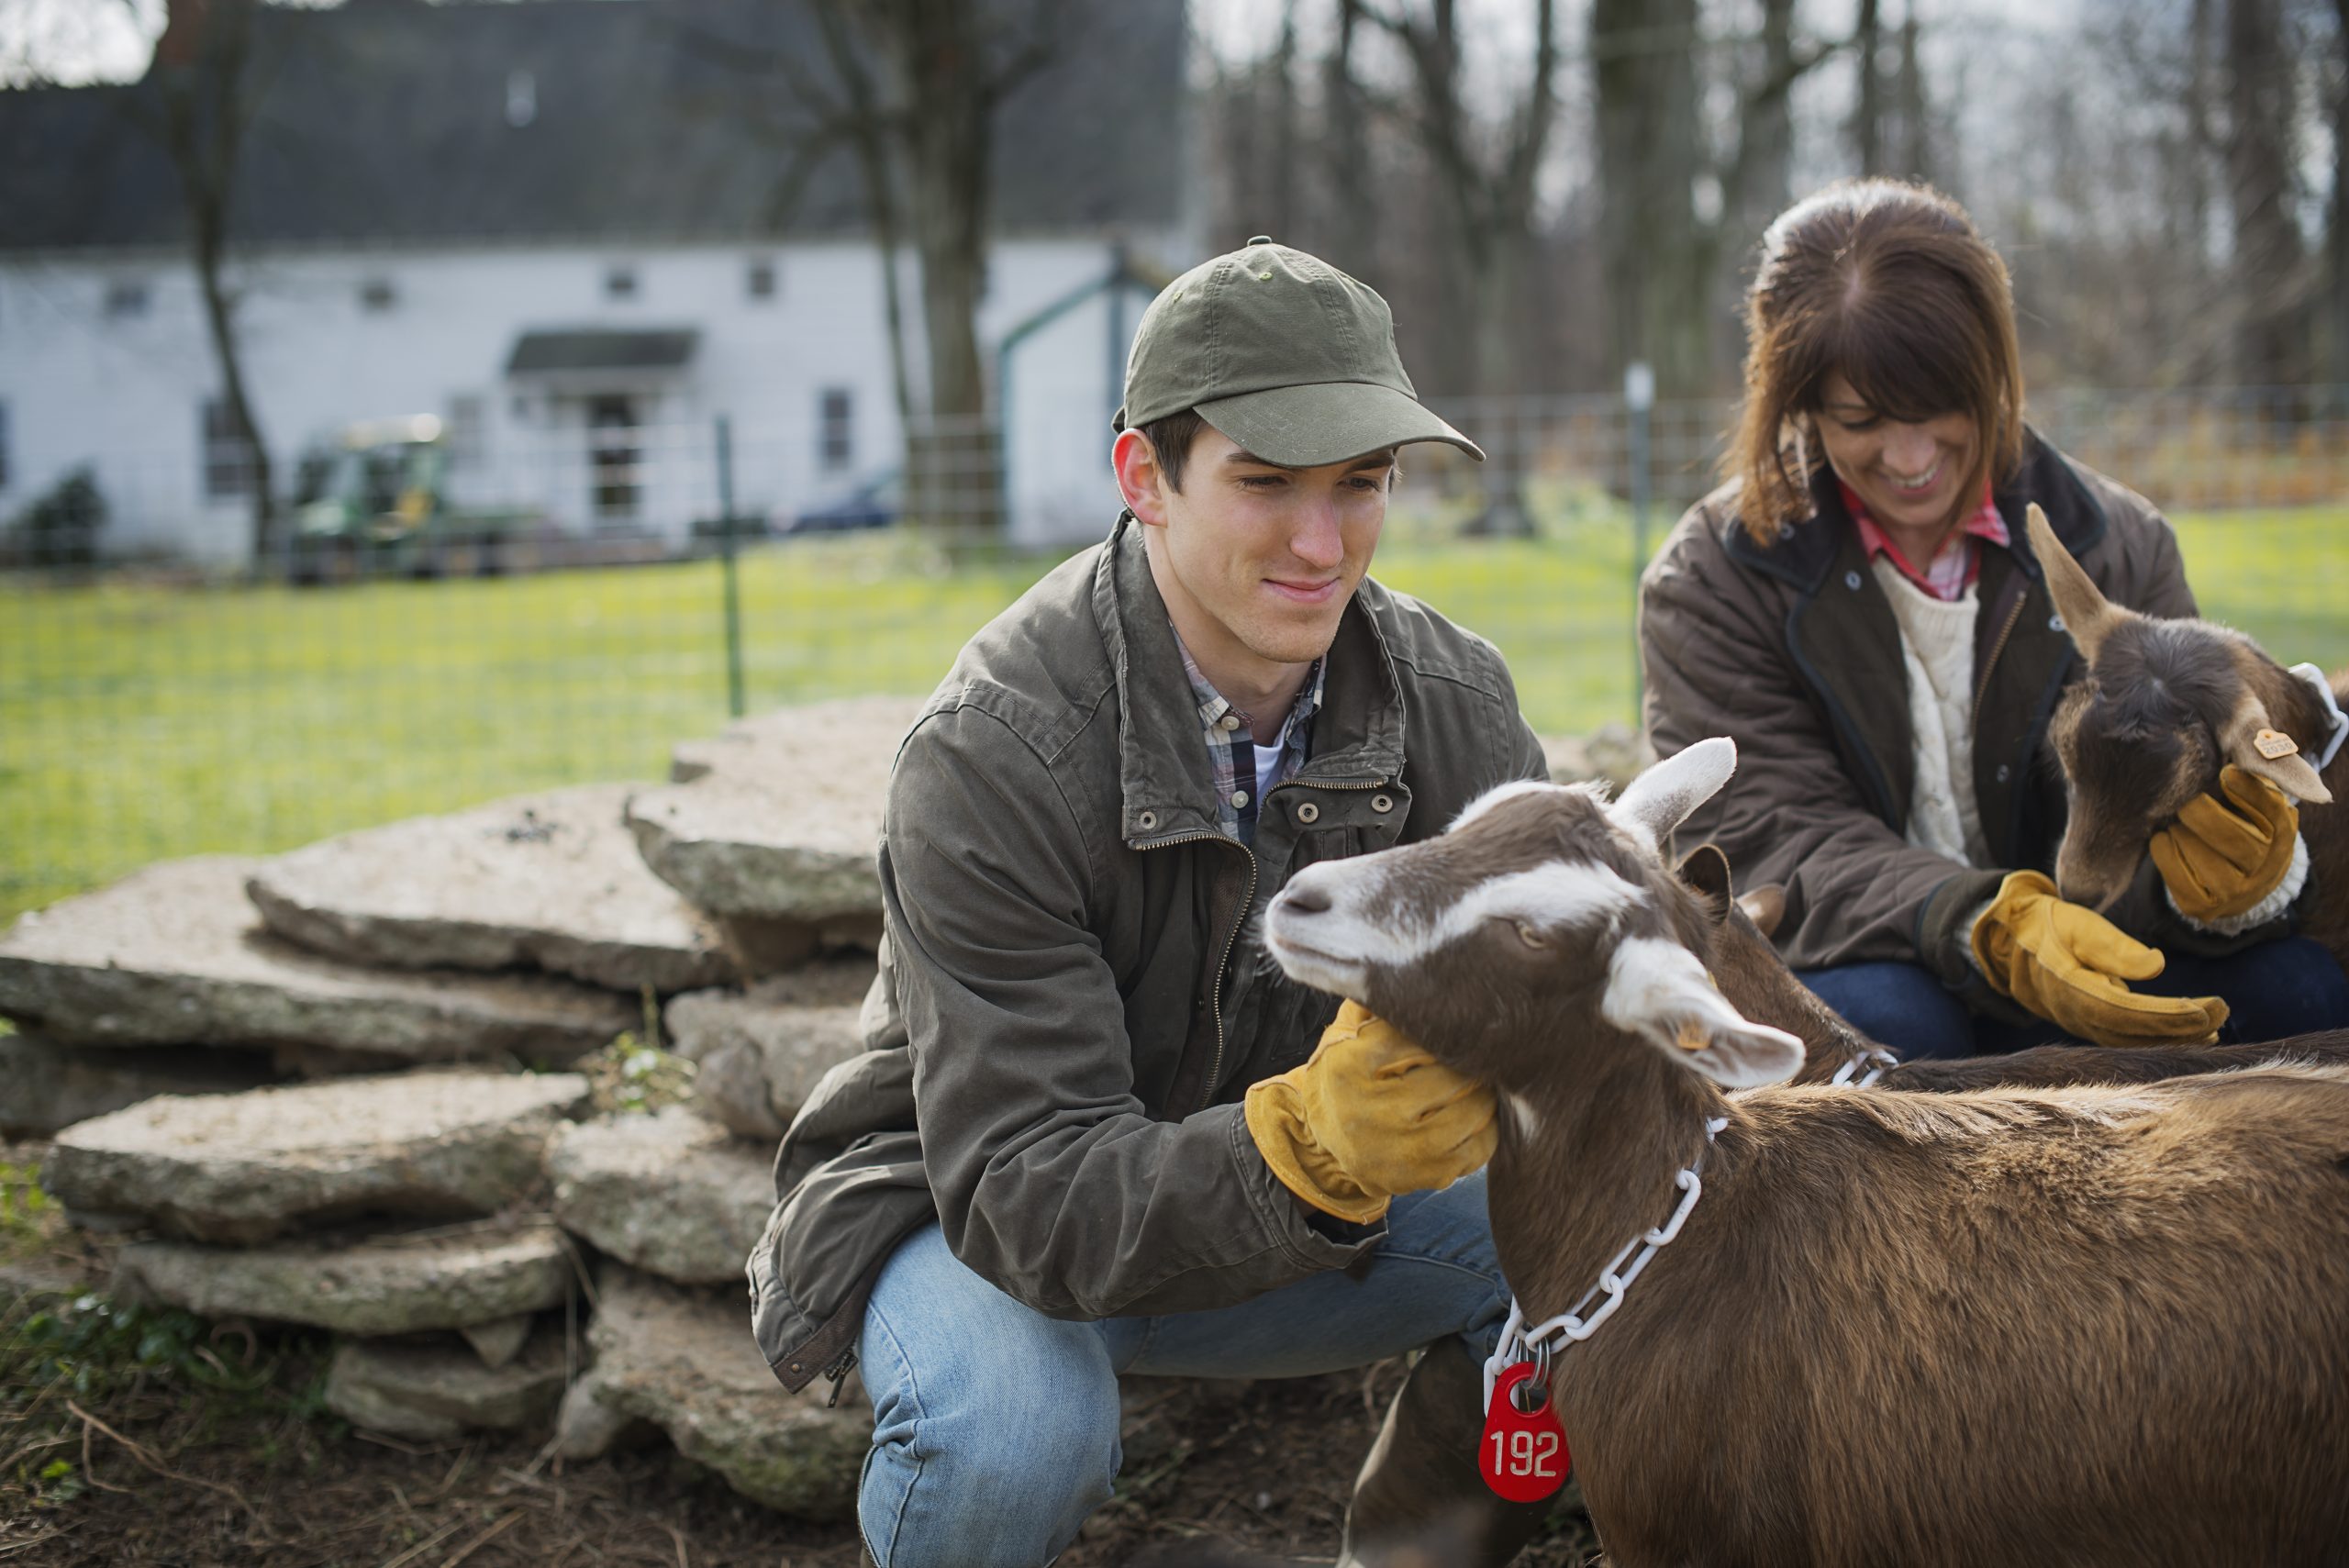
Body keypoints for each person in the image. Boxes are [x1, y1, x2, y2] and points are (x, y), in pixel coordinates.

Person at [747, 238, 1556, 1568]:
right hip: (970, 1217)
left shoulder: (1452, 704)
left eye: (1362, 484)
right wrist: (1306, 1145)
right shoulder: (995, 749)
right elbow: (1027, 1187)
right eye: (1267, 482)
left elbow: (1562, 1011)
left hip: (1289, 1202)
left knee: (1598, 1241)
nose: (1321, 539)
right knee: (1007, 1429)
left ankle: (1416, 1558)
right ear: (1145, 477)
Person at [1639, 178, 2349, 1059]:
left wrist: (2225, 889)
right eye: (1860, 420)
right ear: (1801, 405)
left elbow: (2164, 806)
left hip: (2097, 941)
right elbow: (1775, 829)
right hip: (1865, 952)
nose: (1908, 459)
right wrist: (1982, 922)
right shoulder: (1712, 576)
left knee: (2303, 995)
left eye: (1940, 411)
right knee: (1903, 1024)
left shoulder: (2117, 543)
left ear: (1991, 376)